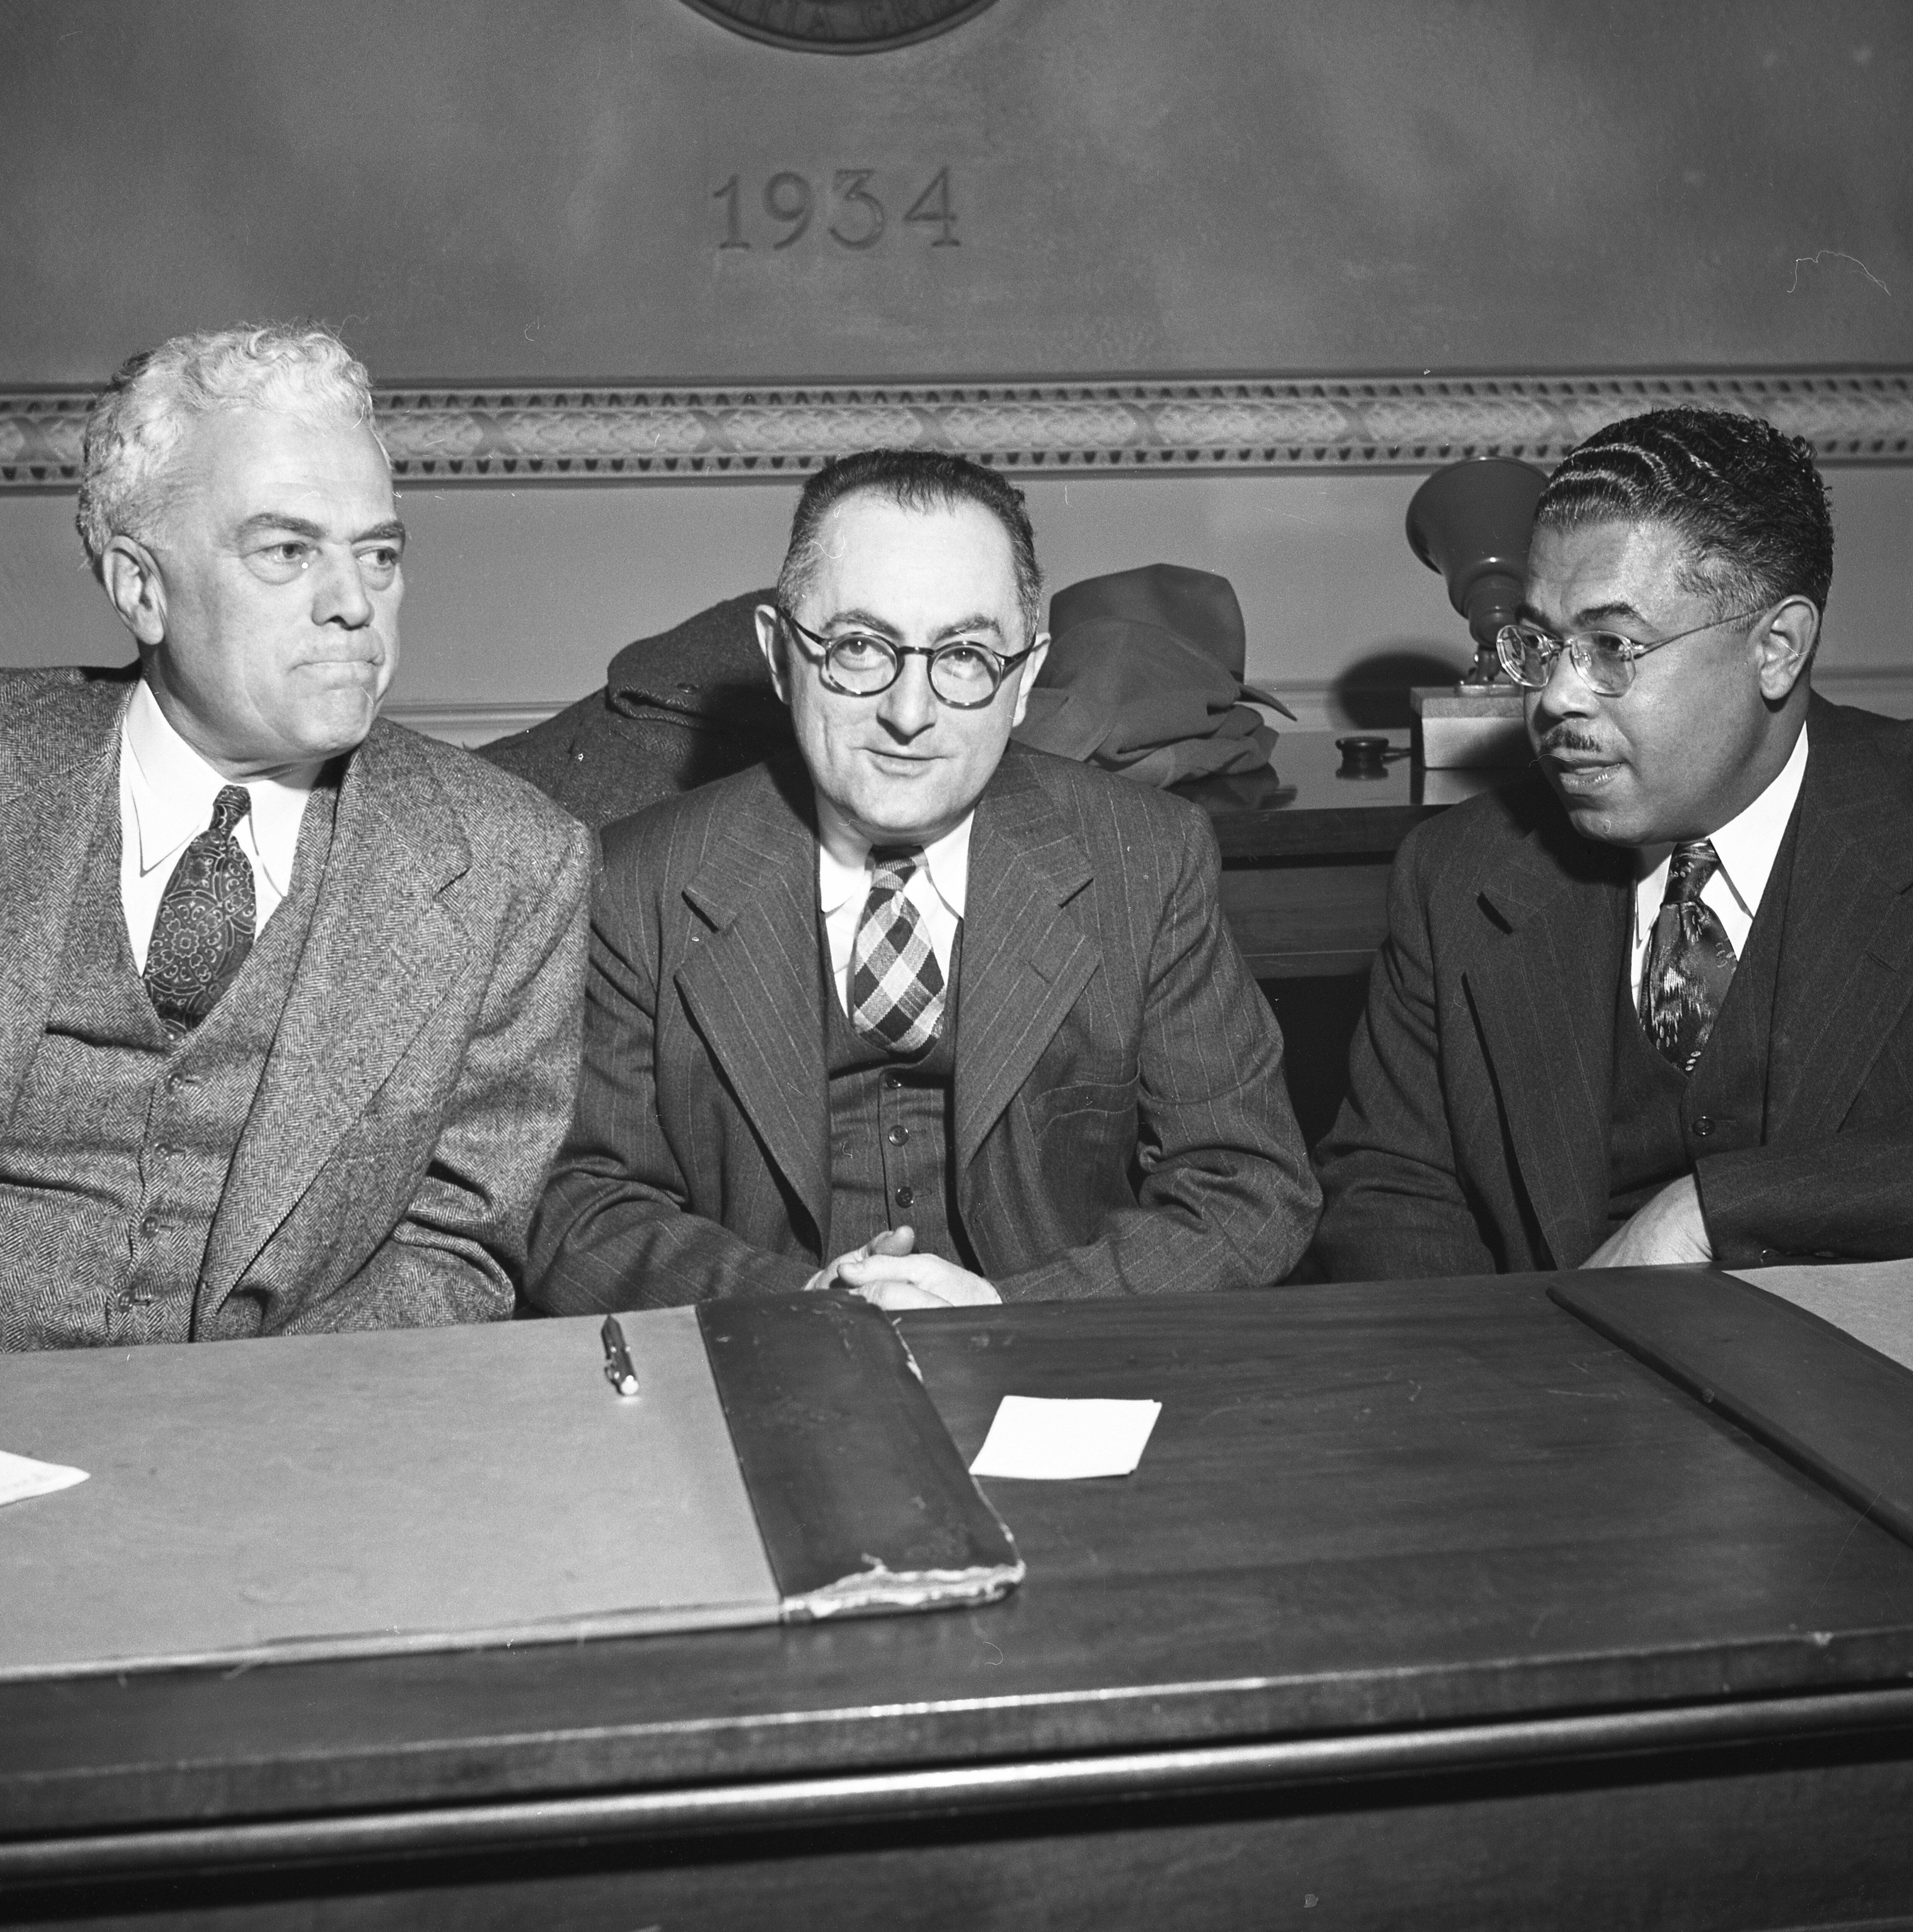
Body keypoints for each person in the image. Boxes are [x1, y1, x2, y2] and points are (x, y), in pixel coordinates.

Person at [530, 448, 1317, 1311]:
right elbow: (580, 1208)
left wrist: (1013, 1315)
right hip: (763, 1365)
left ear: (1023, 683)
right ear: (779, 655)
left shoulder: (1151, 858)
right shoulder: (638, 881)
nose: (909, 713)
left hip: (1058, 1373)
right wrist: (797, 1307)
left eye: (967, 656)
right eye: (860, 647)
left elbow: (1249, 1185)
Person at [0, 323, 591, 1348]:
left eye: (380, 555)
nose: (355, 604)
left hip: (286, 1450)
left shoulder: (511, 862)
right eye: (287, 551)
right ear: (142, 587)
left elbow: (456, 1251)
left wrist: (252, 1431)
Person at [1314, 406, 1913, 1280]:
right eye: (1542, 642)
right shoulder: (1455, 871)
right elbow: (1388, 1191)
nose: (1555, 698)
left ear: (1777, 647)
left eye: (1611, 645)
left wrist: (1713, 1208)